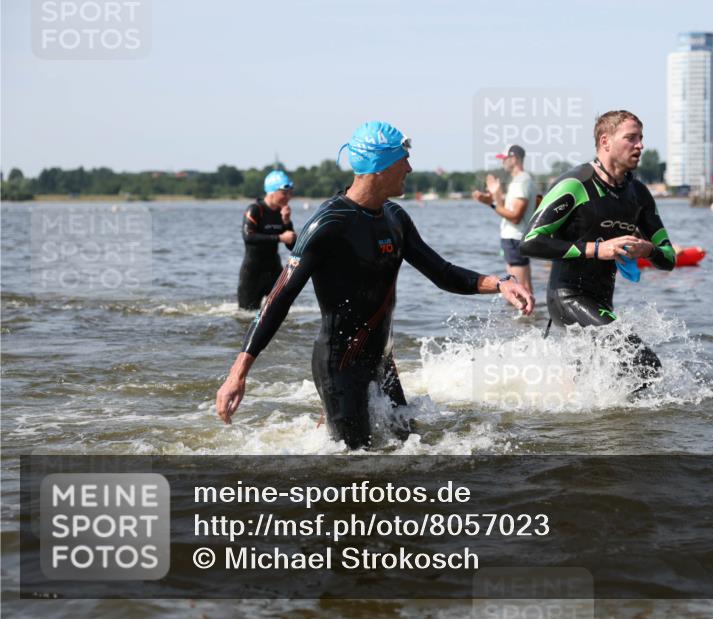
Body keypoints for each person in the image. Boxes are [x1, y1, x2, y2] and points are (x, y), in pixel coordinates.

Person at [216, 121, 534, 449]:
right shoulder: (328, 223)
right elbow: (279, 298)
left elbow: (443, 273)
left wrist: (500, 283)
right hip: (339, 365)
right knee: (355, 465)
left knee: (409, 447)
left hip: (382, 361)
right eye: (403, 160)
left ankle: (325, 425)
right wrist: (238, 373)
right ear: (379, 167)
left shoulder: (395, 218)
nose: (409, 168)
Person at [519, 110, 676, 389]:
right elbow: (531, 241)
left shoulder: (638, 194)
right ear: (605, 141)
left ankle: (592, 429)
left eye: (641, 138)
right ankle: (631, 433)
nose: (640, 145)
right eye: (631, 138)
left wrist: (648, 249)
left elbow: (668, 258)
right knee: (645, 365)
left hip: (603, 302)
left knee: (598, 382)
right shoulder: (575, 184)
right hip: (567, 296)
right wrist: (595, 249)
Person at [472, 144, 538, 300]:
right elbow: (508, 209)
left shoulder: (521, 181)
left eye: (504, 158)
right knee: (524, 288)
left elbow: (515, 216)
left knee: (519, 291)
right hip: (517, 238)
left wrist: (492, 204)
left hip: (515, 239)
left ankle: (523, 323)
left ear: (514, 158)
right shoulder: (520, 180)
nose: (502, 162)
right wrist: (493, 197)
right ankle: (529, 322)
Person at [238, 169, 297, 310]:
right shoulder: (255, 210)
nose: (288, 197)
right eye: (284, 193)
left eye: (290, 192)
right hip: (252, 273)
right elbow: (248, 237)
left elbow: (292, 246)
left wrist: (287, 221)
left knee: (282, 311)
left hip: (274, 271)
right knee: (246, 316)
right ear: (272, 192)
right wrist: (280, 237)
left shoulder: (281, 213)